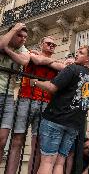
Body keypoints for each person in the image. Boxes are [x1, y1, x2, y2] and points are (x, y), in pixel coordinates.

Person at [30, 45, 89, 174]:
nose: (77, 54)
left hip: (56, 119)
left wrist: (36, 82)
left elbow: (52, 87)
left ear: (88, 59)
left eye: (81, 53)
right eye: (77, 52)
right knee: (60, 162)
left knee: (47, 161)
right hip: (73, 124)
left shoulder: (72, 69)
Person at [6, 36, 64, 174]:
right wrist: (48, 61)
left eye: (54, 45)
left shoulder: (43, 57)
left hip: (45, 103)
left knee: (37, 144)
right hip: (26, 99)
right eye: (48, 43)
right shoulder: (31, 54)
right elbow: (36, 60)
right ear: (41, 44)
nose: (51, 46)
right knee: (17, 140)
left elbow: (61, 66)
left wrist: (46, 60)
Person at [0, 23, 30, 164]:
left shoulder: (21, 49)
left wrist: (7, 51)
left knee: (3, 139)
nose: (23, 39)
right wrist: (13, 29)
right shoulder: (3, 39)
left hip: (8, 96)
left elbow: (24, 61)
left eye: (25, 37)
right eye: (19, 35)